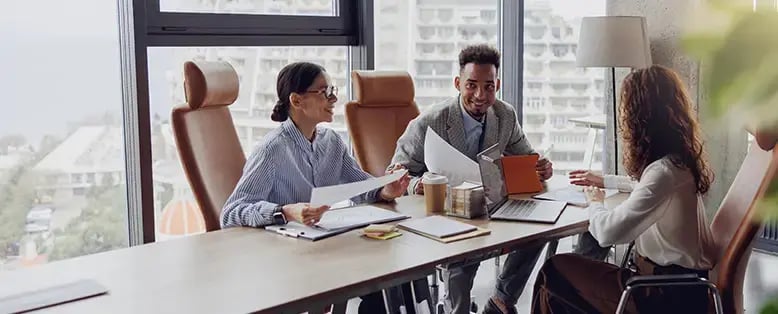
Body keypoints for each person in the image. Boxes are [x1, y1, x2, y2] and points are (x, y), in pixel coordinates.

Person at [390, 44, 608, 314]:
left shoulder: (504, 115)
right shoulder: (431, 122)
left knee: (536, 231)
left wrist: (540, 168)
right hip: (448, 211)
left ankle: (501, 302)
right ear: (458, 83)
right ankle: (456, 309)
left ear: (498, 85)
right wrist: (416, 184)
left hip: (492, 205)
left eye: (489, 86)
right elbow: (398, 171)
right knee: (464, 253)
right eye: (471, 85)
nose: (480, 95)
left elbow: (526, 155)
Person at [221, 62, 410, 313]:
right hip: (283, 263)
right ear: (297, 101)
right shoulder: (272, 150)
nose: (333, 98)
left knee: (392, 277)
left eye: (332, 89)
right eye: (324, 92)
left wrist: (386, 191)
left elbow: (360, 186)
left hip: (322, 249)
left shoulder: (331, 142)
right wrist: (285, 211)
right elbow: (231, 213)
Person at [531, 65, 718, 313]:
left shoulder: (663, 172)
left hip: (661, 295)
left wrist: (595, 202)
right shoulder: (677, 163)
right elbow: (646, 187)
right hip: (677, 286)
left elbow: (608, 233)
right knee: (567, 282)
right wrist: (605, 181)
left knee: (552, 273)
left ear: (641, 117)